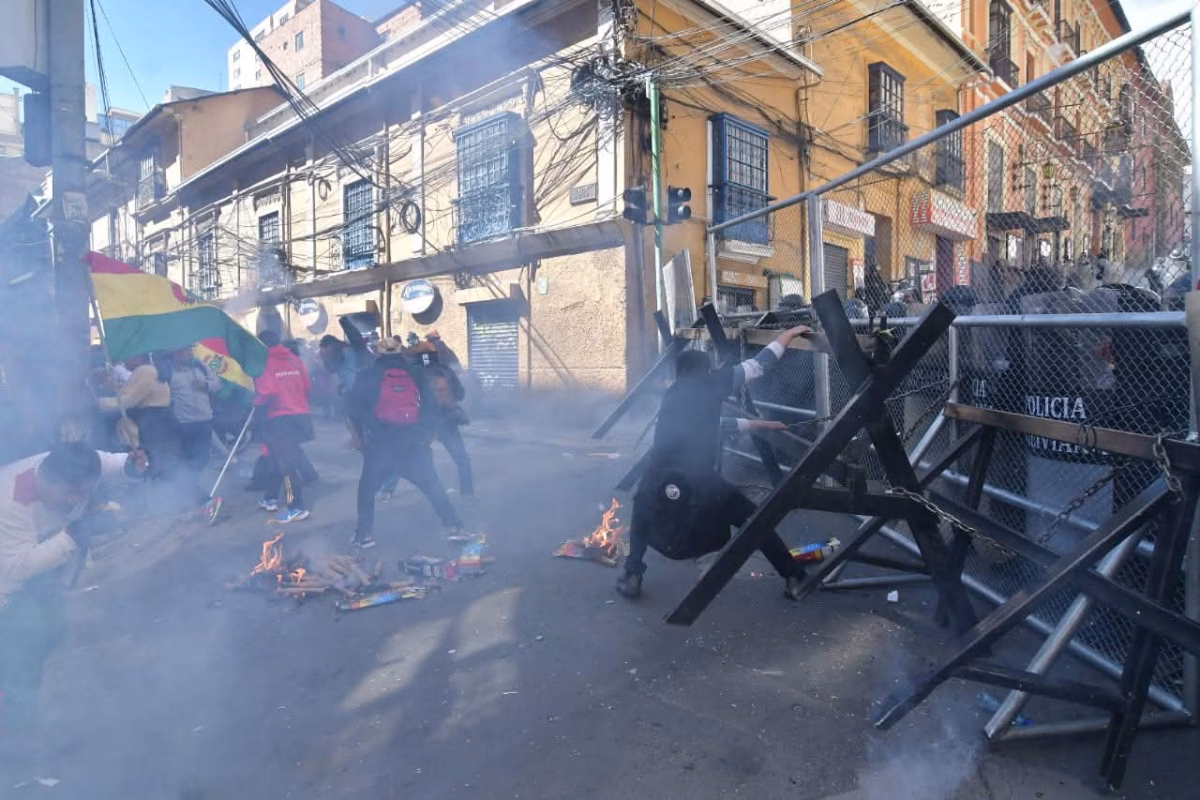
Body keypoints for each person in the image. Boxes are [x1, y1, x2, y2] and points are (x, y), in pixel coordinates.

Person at [616, 325, 814, 600]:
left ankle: (632, 574)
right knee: (755, 521)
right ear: (706, 370)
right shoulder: (711, 383)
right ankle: (794, 577)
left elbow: (710, 425)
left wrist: (761, 423)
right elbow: (761, 364)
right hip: (700, 481)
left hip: (659, 476)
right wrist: (789, 334)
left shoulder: (672, 394)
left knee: (641, 512)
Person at [0, 443, 146, 747]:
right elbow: (15, 567)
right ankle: (16, 739)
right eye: (73, 494)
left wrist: (130, 466)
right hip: (8, 585)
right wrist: (73, 536)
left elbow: (109, 463)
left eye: (84, 493)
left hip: (35, 576)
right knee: (22, 650)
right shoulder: (9, 500)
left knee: (52, 629)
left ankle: (17, 704)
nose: (78, 500)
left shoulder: (70, 466)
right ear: (48, 482)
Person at [347, 337, 466, 549]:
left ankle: (364, 535)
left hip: (381, 444)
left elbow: (354, 409)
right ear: (401, 352)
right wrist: (427, 432)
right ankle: (454, 528)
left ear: (379, 353)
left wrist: (360, 438)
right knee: (433, 486)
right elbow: (431, 405)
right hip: (413, 442)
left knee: (366, 491)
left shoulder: (367, 375)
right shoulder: (416, 373)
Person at [379, 340, 475, 502]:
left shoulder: (412, 373)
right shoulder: (445, 371)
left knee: (403, 455)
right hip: (446, 421)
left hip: (421, 423)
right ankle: (468, 494)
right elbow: (460, 394)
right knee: (461, 458)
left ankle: (387, 491)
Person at [254, 330, 313, 523]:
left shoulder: (265, 363)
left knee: (287, 464)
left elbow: (267, 391)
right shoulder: (295, 360)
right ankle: (270, 497)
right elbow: (307, 387)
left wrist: (257, 401)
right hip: (300, 416)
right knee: (277, 458)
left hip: (280, 418)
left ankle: (297, 507)